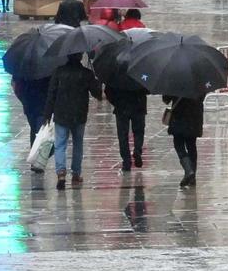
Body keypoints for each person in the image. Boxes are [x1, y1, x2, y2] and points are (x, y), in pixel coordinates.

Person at [43, 53, 102, 190]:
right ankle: (76, 173)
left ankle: (61, 173)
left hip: (61, 114)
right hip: (79, 114)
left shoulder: (59, 72)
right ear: (81, 57)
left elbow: (51, 94)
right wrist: (96, 79)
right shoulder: (86, 74)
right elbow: (97, 93)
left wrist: (47, 114)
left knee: (60, 144)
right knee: (78, 144)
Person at [163, 95, 204, 187]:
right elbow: (201, 97)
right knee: (191, 145)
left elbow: (166, 99)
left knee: (178, 144)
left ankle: (188, 170)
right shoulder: (198, 81)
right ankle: (192, 176)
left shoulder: (174, 81)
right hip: (194, 115)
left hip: (179, 115)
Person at [12, 76, 52, 172]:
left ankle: (35, 159)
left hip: (30, 105)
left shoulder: (24, 70)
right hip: (41, 106)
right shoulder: (47, 72)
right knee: (38, 131)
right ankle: (37, 160)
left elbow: (16, 86)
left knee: (35, 129)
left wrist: (24, 100)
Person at [105, 85, 147, 171]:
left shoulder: (116, 72)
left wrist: (116, 102)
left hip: (121, 107)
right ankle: (137, 149)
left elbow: (108, 91)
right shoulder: (141, 73)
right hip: (138, 105)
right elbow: (148, 89)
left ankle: (126, 162)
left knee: (122, 135)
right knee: (139, 131)